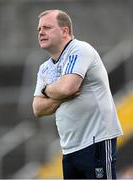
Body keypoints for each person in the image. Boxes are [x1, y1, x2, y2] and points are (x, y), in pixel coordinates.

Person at [32, 9, 123, 179]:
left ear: (65, 31)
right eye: (39, 29)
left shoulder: (79, 49)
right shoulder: (44, 68)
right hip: (69, 148)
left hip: (96, 141)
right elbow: (37, 108)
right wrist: (60, 94)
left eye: (47, 27)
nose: (41, 32)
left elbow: (68, 88)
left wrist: (46, 90)